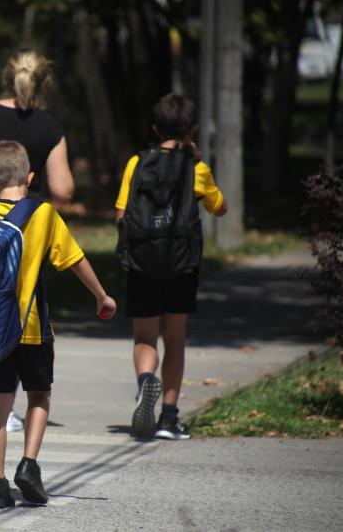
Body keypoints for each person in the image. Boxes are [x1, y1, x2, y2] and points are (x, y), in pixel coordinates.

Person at [0, 141, 117, 508]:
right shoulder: (43, 214)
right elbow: (75, 260)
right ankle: (29, 464)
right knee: (39, 394)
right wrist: (101, 295)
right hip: (31, 328)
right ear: (30, 177)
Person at [0, 49, 76, 434]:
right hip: (26, 231)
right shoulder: (49, 127)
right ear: (44, 83)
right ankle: (7, 404)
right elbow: (62, 188)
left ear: (6, 77)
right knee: (23, 307)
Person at [115, 94, 228, 440]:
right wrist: (200, 166)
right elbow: (219, 207)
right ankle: (168, 417)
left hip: (142, 262)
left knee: (144, 336)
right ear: (192, 130)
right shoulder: (197, 169)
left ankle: (145, 381)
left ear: (154, 128)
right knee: (174, 340)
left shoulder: (137, 163)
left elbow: (121, 214)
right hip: (182, 265)